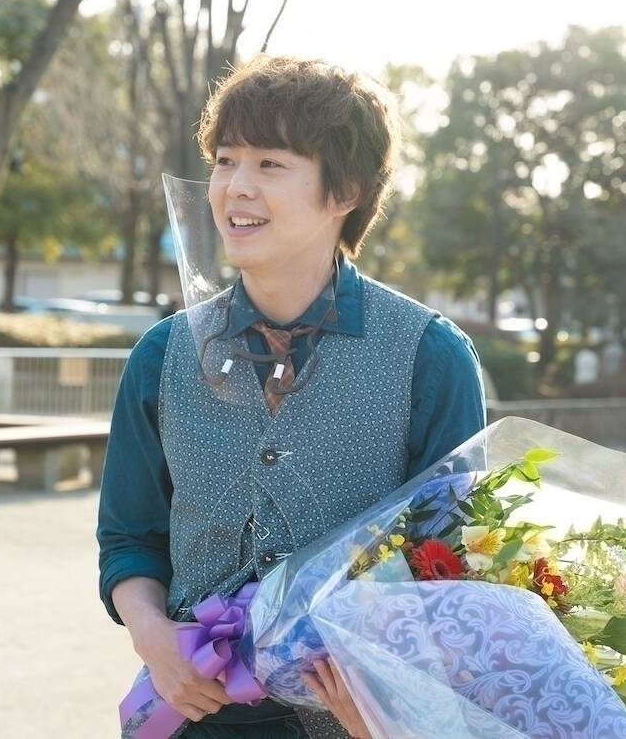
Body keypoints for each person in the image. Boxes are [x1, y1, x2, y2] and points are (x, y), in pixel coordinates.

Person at [97, 56, 487, 739]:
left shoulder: (429, 355)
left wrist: (384, 703)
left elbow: (452, 562)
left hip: (357, 721)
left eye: (270, 164)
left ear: (346, 191)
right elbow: (130, 536)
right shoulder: (163, 354)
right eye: (224, 161)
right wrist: (153, 636)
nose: (235, 187)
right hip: (194, 717)